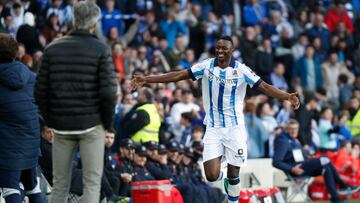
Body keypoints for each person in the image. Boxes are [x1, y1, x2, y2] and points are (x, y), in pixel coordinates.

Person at [132, 36, 300, 202]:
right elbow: (179, 75)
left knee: (234, 173)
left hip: (235, 128)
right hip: (213, 127)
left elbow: (264, 86)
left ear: (231, 51)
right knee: (211, 176)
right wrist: (147, 79)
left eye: (224, 48)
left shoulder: (241, 70)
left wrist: (287, 96)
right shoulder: (206, 66)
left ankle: (232, 200)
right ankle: (224, 173)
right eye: (217, 48)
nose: (219, 51)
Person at [34, 2, 117, 203]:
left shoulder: (53, 48)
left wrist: (51, 119)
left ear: (74, 19)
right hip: (91, 124)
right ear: (94, 22)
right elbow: (108, 93)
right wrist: (107, 124)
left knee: (60, 183)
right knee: (91, 182)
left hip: (61, 126)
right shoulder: (100, 49)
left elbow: (40, 90)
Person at [0, 33, 44, 203]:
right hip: (31, 144)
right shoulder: (32, 77)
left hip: (8, 148)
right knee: (33, 188)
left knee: (10, 190)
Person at [273, 119, 360, 203]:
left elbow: (298, 155)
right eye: (291, 129)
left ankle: (335, 198)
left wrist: (309, 156)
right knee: (325, 159)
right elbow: (276, 162)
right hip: (297, 169)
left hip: (304, 165)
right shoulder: (283, 141)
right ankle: (342, 186)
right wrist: (292, 169)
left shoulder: (293, 139)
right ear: (286, 129)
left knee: (326, 168)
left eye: (296, 128)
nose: (294, 131)